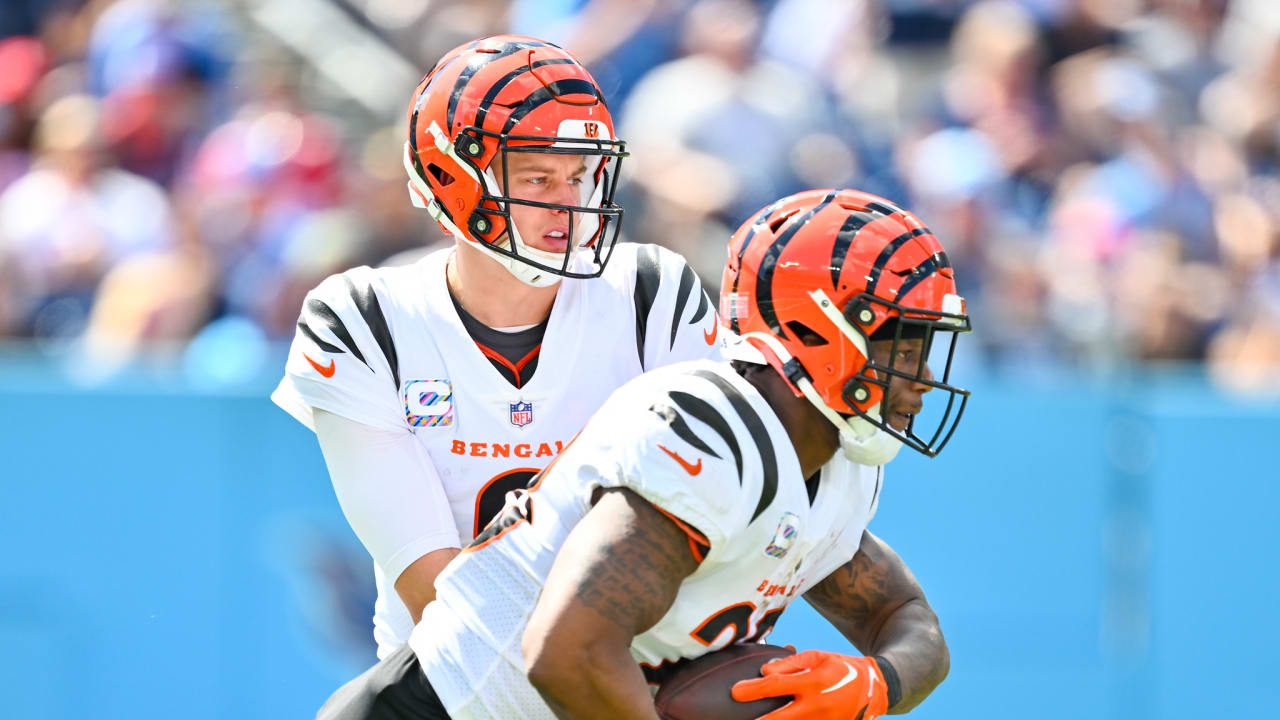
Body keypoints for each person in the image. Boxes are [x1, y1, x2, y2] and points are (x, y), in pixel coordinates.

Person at [315, 188, 973, 719]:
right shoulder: (711, 434)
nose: (918, 379)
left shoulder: (834, 466)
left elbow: (906, 620)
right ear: (815, 328)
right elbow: (567, 655)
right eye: (902, 348)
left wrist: (872, 684)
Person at [271, 35, 723, 658]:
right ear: (448, 178)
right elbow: (435, 595)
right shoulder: (365, 319)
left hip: (633, 676)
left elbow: (707, 538)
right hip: (452, 688)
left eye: (580, 175)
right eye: (539, 177)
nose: (570, 204)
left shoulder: (652, 295)